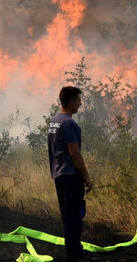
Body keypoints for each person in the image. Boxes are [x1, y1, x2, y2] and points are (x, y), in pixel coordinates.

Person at [47, 86, 93, 262]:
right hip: (71, 176)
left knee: (68, 217)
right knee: (74, 218)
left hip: (59, 175)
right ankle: (73, 255)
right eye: (79, 101)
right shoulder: (68, 123)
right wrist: (87, 177)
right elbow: (74, 153)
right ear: (72, 102)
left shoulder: (54, 121)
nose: (80, 104)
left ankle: (74, 252)